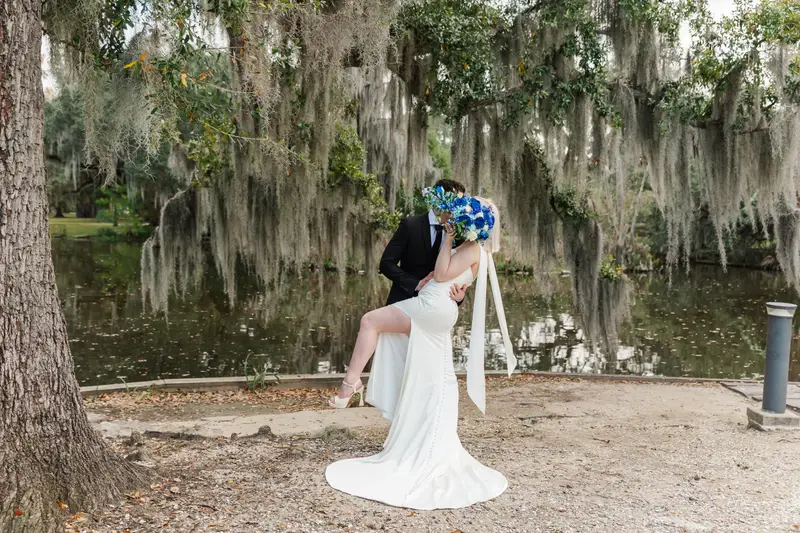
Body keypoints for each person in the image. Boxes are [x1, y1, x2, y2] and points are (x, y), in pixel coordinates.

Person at [325, 197, 517, 510]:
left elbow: (442, 274)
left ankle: (351, 383)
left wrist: (448, 239)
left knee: (370, 321)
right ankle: (427, 437)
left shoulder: (469, 247)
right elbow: (449, 279)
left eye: (460, 217)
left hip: (430, 309)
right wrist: (448, 280)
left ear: (471, 223)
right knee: (434, 375)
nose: (453, 219)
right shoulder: (478, 252)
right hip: (438, 309)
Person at [329, 179, 468, 404]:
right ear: (440, 201)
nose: (460, 210)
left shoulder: (459, 234)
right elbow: (387, 263)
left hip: (434, 312)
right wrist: (416, 284)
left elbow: (458, 277)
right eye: (457, 203)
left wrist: (460, 297)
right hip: (404, 301)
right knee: (398, 365)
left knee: (424, 370)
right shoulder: (411, 225)